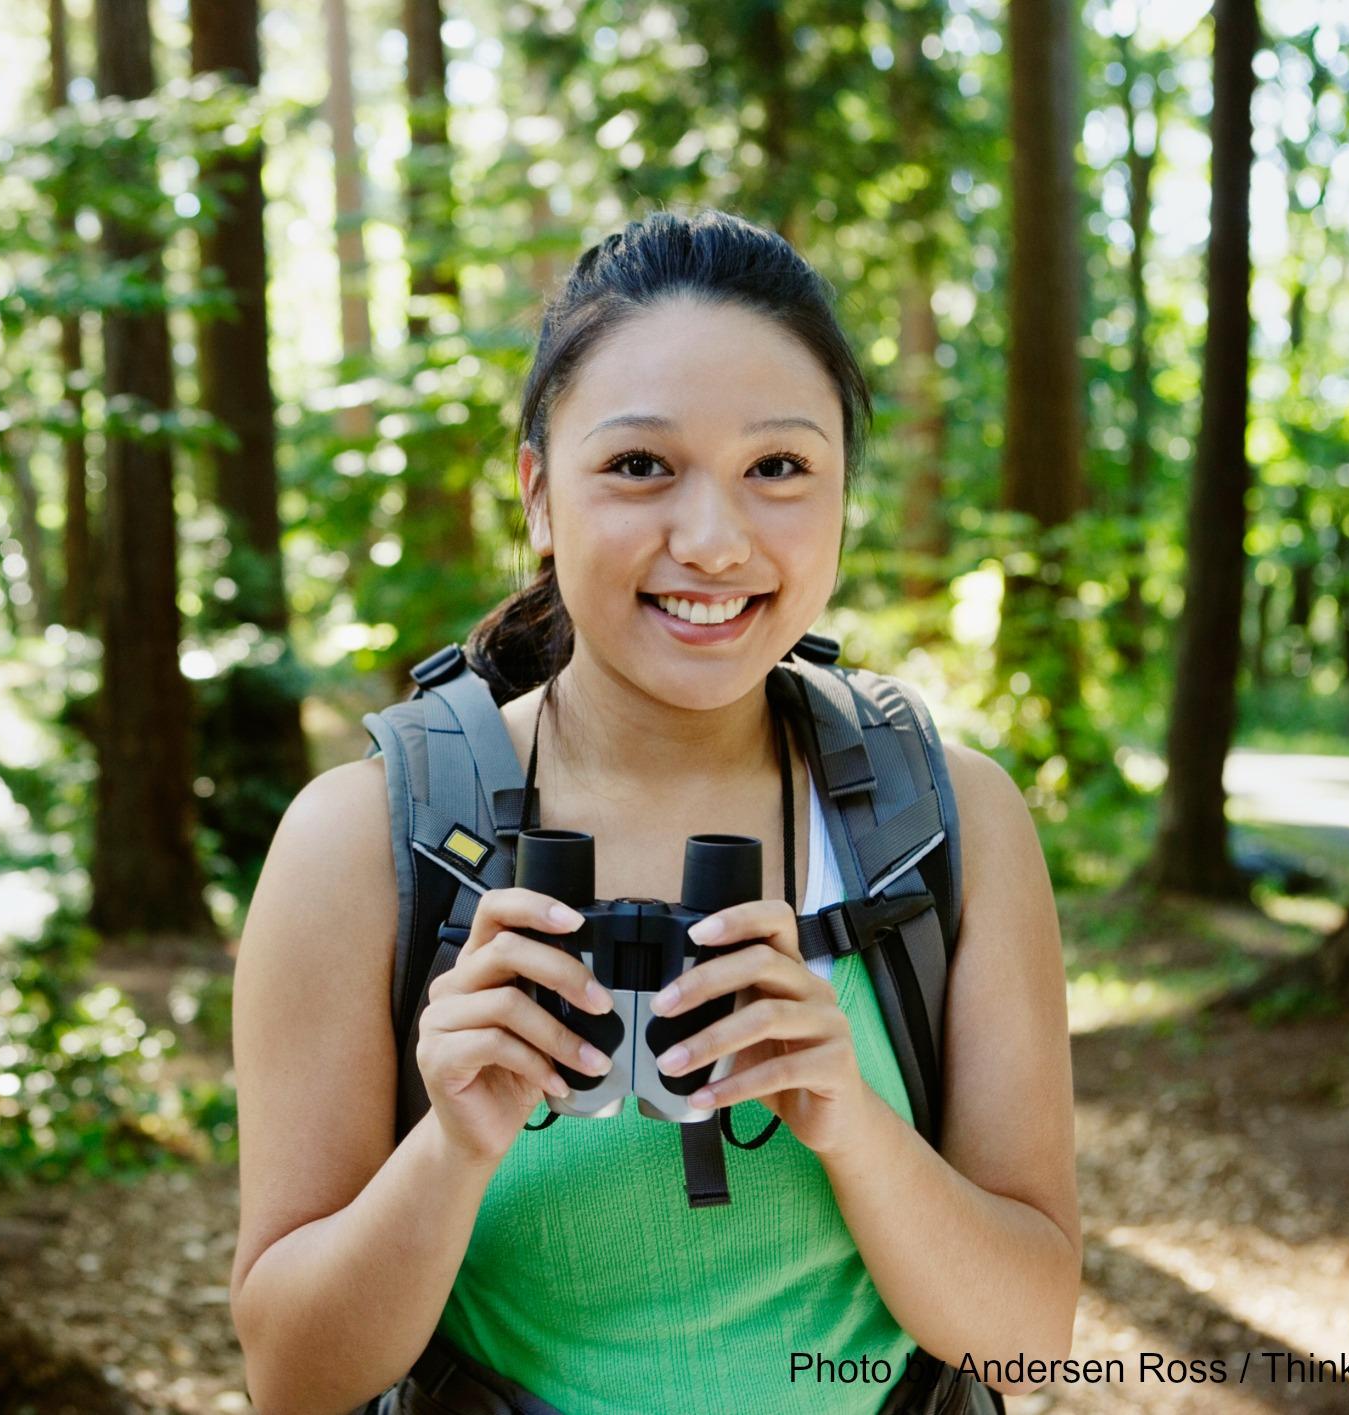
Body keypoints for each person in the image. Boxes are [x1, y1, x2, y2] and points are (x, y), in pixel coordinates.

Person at [227, 209, 1080, 1415]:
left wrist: (851, 1122)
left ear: (842, 492)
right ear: (537, 493)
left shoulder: (948, 818)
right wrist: (456, 1143)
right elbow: (293, 1376)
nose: (714, 539)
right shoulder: (360, 841)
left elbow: (1027, 1338)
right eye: (640, 465)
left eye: (778, 468)